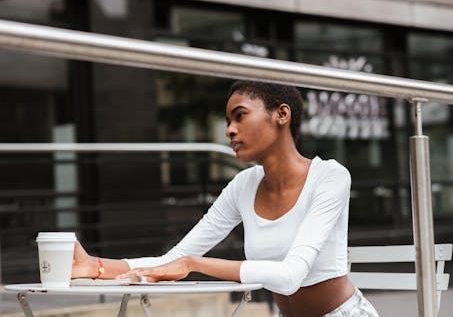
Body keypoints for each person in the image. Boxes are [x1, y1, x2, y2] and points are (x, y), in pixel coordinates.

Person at [72, 80, 379, 317]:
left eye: (240, 116)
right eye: (228, 121)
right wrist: (96, 267)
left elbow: (290, 276)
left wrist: (193, 264)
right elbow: (172, 260)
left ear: (281, 114)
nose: (229, 130)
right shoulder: (243, 185)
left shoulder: (330, 177)